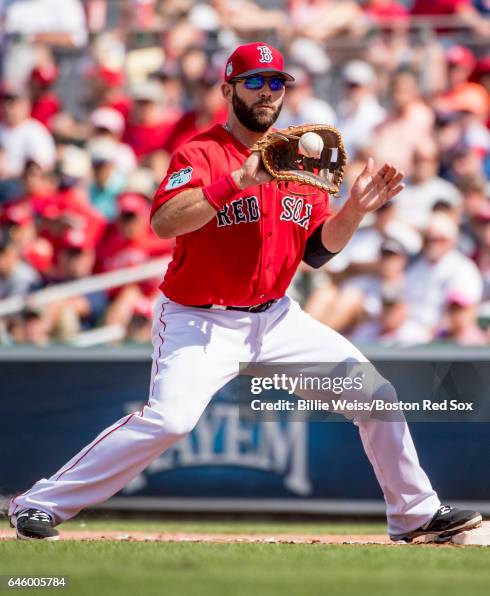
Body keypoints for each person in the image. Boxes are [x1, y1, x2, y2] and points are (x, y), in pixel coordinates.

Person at [9, 42, 481, 543]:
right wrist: (236, 180)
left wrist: (354, 212)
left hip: (276, 319)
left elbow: (317, 251)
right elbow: (165, 221)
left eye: (276, 83)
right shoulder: (200, 152)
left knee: (377, 398)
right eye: (254, 81)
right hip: (200, 317)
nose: (266, 92)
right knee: (171, 420)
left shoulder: (301, 159)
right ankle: (37, 503)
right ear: (227, 89)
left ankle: (414, 515)